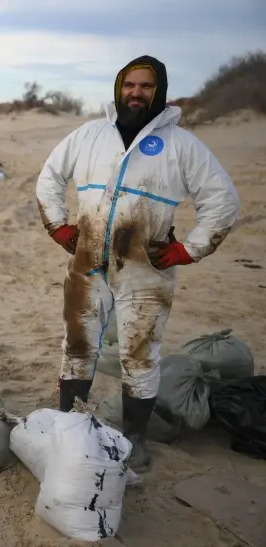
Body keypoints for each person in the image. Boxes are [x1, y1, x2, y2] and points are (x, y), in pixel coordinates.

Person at [35, 55, 240, 471]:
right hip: (87, 265)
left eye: (146, 86)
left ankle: (136, 437)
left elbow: (222, 200)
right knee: (77, 347)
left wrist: (191, 249)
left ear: (159, 92)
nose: (136, 93)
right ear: (118, 88)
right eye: (130, 85)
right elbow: (49, 177)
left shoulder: (181, 145)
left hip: (147, 272)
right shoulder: (90, 135)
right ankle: (70, 423)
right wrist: (58, 226)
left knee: (140, 356)